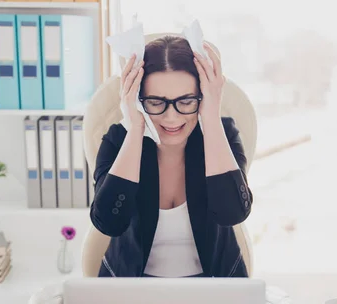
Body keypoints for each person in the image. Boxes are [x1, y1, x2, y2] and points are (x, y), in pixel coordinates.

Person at [90, 35, 253, 278]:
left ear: (202, 97)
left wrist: (210, 118)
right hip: (131, 290)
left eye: (186, 101)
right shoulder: (118, 139)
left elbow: (233, 213)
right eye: (156, 102)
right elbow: (108, 223)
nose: (171, 117)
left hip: (215, 288)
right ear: (138, 99)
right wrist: (135, 129)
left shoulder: (222, 133)